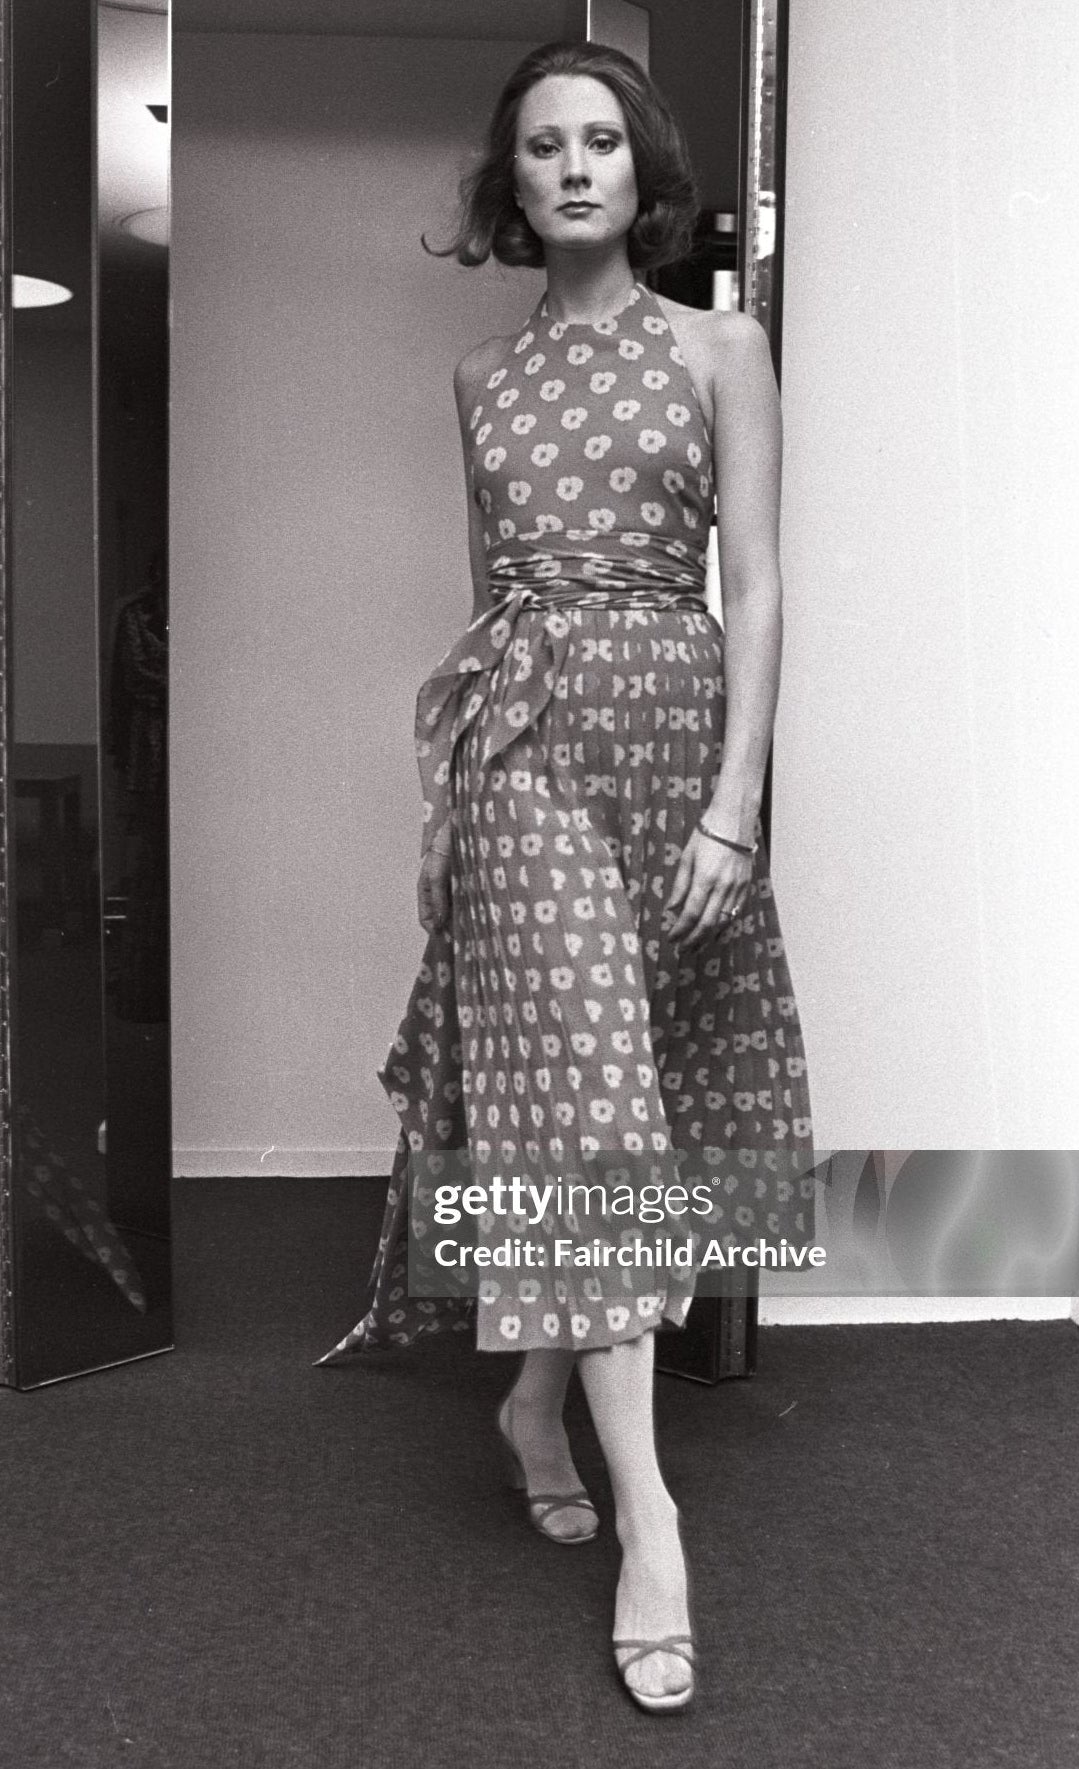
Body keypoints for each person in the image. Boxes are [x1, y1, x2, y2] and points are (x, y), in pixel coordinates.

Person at [318, 40, 814, 1715]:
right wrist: (462, 804)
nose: (577, 167)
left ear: (642, 168)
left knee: (633, 1114)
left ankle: (536, 1399)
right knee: (590, 1105)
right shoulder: (478, 380)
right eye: (544, 146)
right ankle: (654, 1525)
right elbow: (487, 603)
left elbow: (751, 594)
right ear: (510, 184)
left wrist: (732, 808)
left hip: (673, 738)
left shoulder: (717, 346)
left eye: (603, 139)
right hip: (523, 749)